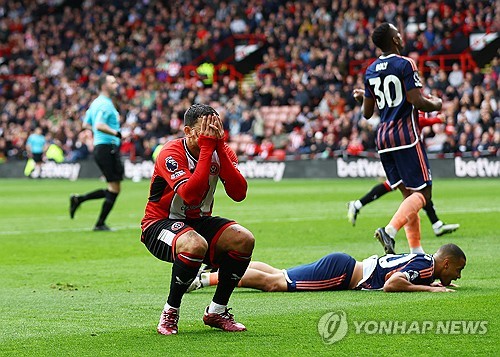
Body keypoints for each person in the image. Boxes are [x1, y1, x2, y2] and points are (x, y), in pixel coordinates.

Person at [140, 103, 255, 335]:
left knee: (244, 240)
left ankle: (217, 311)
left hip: (199, 222)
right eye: (205, 128)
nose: (211, 133)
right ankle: (170, 311)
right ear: (188, 131)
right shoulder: (170, 153)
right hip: (159, 223)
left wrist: (219, 146)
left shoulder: (220, 149)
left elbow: (239, 194)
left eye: (216, 127)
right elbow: (190, 195)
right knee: (195, 244)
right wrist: (206, 149)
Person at [353, 23, 443, 255]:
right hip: (406, 136)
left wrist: (365, 97)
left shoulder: (371, 70)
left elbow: (366, 112)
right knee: (423, 194)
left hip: (383, 139)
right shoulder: (405, 63)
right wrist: (437, 104)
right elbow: (416, 100)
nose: (401, 37)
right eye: (398, 34)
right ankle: (390, 231)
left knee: (408, 196)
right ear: (394, 40)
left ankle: (416, 251)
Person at [188, 243, 465, 293]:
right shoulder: (426, 268)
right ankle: (205, 280)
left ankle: (220, 269)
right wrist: (431, 290)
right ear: (446, 263)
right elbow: (393, 284)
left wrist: (432, 284)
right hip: (343, 274)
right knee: (274, 283)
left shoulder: (426, 263)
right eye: (457, 270)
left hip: (345, 266)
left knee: (277, 274)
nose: (458, 276)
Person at [69, 74, 124, 231]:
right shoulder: (105, 104)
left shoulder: (95, 103)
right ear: (104, 86)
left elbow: (87, 124)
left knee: (113, 187)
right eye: (113, 82)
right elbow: (99, 125)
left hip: (102, 147)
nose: (116, 84)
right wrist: (117, 133)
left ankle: (79, 200)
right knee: (114, 187)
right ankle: (99, 223)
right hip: (108, 147)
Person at [347, 180, 460, 236]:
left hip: (397, 148)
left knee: (416, 190)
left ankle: (436, 224)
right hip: (400, 149)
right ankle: (390, 232)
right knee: (417, 190)